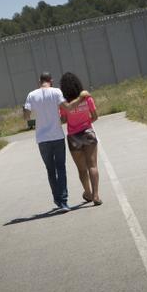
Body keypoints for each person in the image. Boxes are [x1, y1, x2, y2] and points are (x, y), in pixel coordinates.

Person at [23, 72, 89, 212]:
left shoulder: (31, 95)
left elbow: (26, 117)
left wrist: (27, 110)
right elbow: (69, 108)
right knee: (61, 168)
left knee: (50, 170)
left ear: (39, 81)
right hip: (57, 136)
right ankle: (64, 202)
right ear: (51, 81)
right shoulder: (56, 91)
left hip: (42, 138)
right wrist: (81, 98)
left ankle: (57, 199)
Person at [59, 72, 102, 206]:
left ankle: (87, 193)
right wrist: (86, 122)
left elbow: (63, 120)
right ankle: (96, 196)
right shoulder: (87, 98)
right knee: (93, 165)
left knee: (82, 169)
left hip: (73, 137)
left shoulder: (64, 104)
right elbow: (95, 116)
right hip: (88, 132)